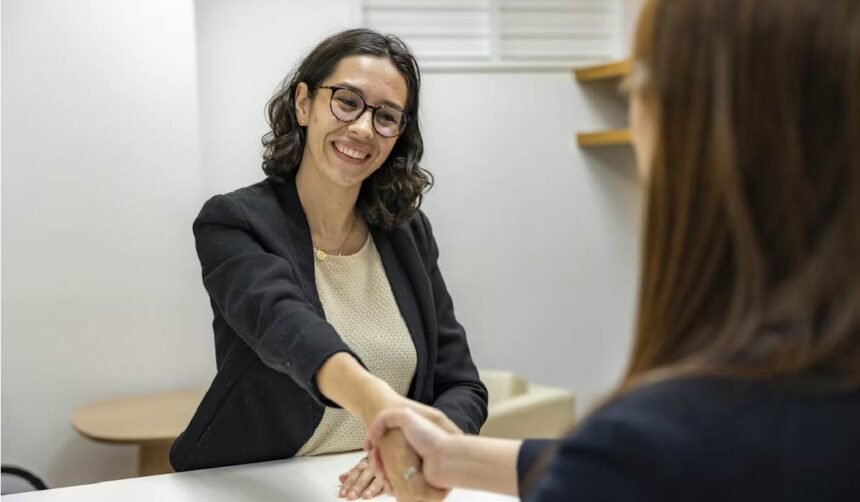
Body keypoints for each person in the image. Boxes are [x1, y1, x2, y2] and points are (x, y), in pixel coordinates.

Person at [366, 0, 860, 500]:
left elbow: (638, 462)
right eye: (346, 102)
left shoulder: (654, 441)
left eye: (639, 87)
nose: (363, 128)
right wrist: (456, 457)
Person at [169, 29, 488, 501]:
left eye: (386, 117)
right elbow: (288, 329)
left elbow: (462, 385)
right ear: (304, 104)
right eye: (346, 101)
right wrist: (381, 408)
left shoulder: (407, 233)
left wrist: (418, 448)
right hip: (250, 485)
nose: (362, 128)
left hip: (375, 486)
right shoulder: (234, 222)